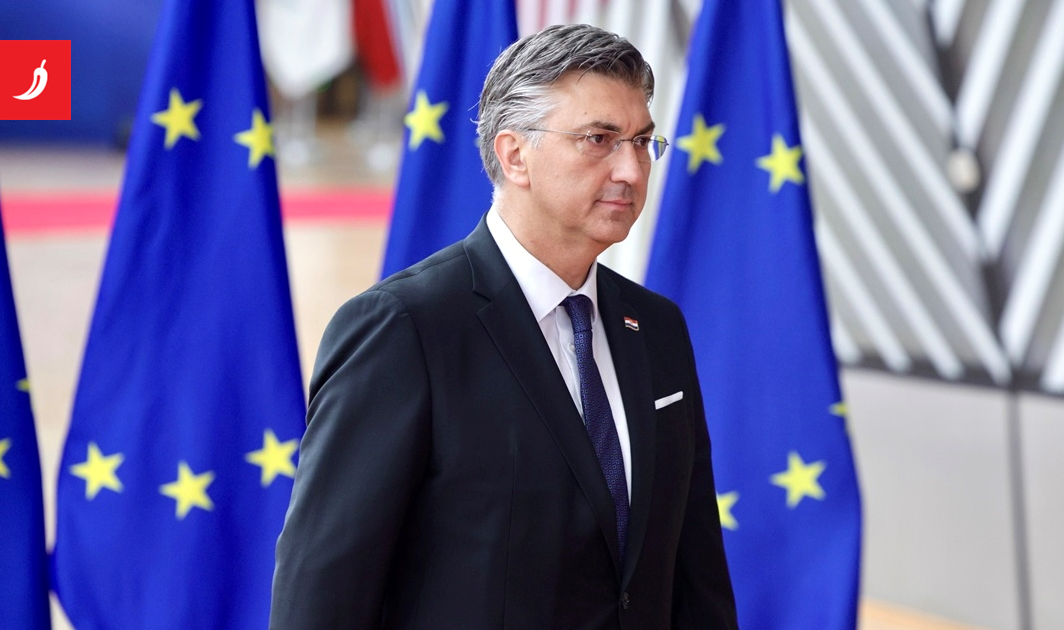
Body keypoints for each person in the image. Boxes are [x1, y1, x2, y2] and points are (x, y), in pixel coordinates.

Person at [270, 23, 738, 629]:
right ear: (515, 155)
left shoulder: (656, 328)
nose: (631, 169)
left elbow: (696, 576)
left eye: (643, 142)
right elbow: (321, 597)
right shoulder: (404, 329)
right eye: (599, 140)